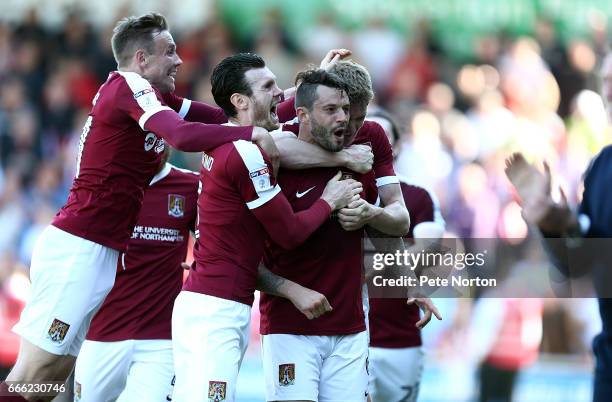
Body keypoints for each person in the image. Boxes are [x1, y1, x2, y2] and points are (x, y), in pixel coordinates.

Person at [1, 12, 278, 401]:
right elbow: (182, 136)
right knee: (34, 373)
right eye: (170, 51)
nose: (179, 60)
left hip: (100, 251)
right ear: (142, 59)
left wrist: (295, 108)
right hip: (78, 246)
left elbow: (225, 118)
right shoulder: (126, 86)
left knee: (53, 375)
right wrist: (255, 134)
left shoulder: (154, 96)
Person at [171, 54, 362, 402]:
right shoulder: (245, 153)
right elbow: (288, 233)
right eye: (269, 86)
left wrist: (311, 87)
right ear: (240, 102)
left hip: (211, 302)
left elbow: (281, 109)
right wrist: (329, 201)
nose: (280, 94)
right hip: (217, 310)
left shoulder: (226, 139)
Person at [504, 52, 612, 402]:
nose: (608, 92)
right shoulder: (603, 167)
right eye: (606, 82)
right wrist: (554, 225)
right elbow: (576, 264)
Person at [365, 107, 444, 402]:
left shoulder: (419, 196)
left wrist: (363, 263)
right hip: (346, 337)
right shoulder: (339, 190)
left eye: (384, 138)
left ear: (396, 146)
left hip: (400, 338)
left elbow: (424, 255)